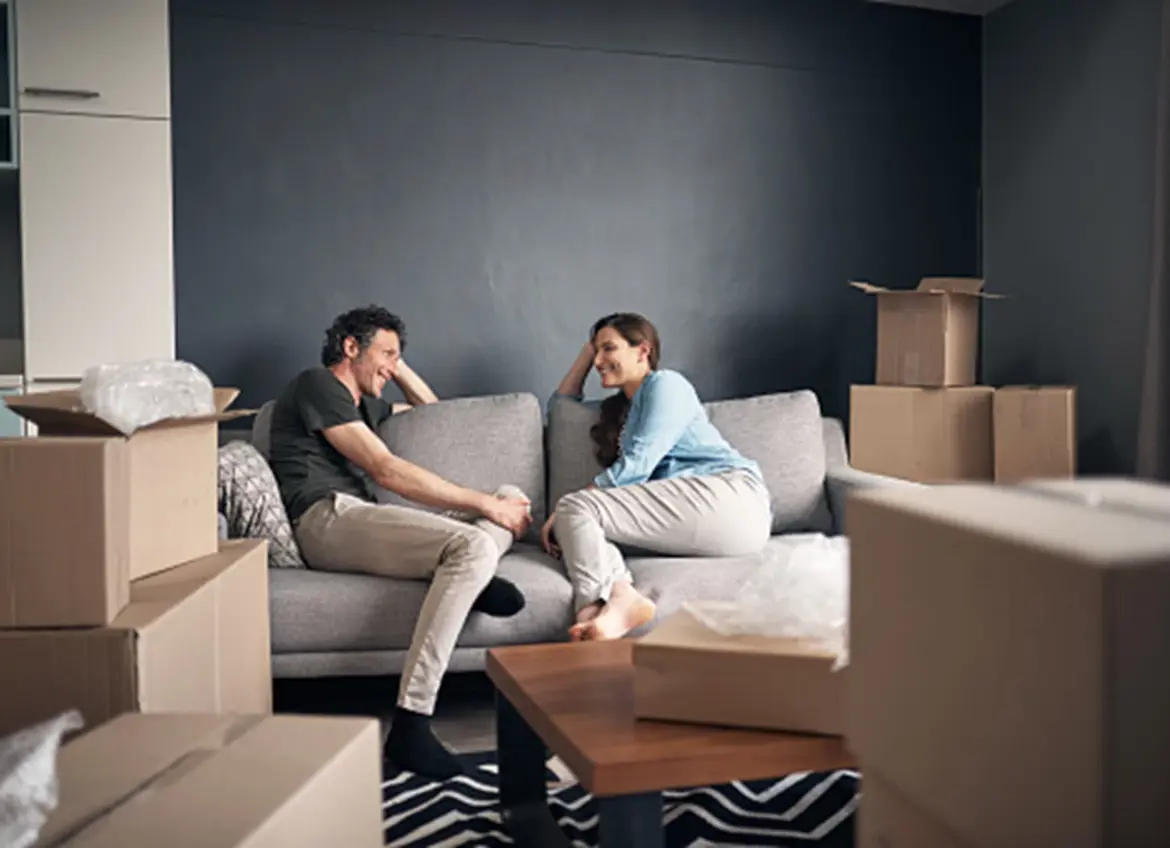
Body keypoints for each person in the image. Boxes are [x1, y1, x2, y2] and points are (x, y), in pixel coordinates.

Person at [268, 305, 533, 781]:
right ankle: (412, 723)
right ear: (350, 348)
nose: (391, 368)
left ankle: (469, 578)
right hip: (326, 519)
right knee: (475, 542)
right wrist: (484, 509)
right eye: (385, 354)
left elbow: (435, 415)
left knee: (510, 496)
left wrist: (394, 360)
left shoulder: (361, 405)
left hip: (366, 518)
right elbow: (385, 469)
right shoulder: (318, 385)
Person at [541, 312, 772, 641]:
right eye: (596, 352)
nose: (599, 361)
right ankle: (610, 607)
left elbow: (640, 462)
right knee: (589, 527)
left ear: (642, 350)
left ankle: (592, 606)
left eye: (609, 349)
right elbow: (561, 406)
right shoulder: (627, 409)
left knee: (576, 507)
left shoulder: (667, 384)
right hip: (701, 520)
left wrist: (573, 504)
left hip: (731, 498)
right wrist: (586, 352)